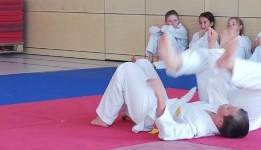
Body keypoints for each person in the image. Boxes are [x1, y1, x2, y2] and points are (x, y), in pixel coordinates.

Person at [159, 29, 261, 132]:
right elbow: (216, 72)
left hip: (244, 117)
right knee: (207, 55)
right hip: (217, 103)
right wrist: (213, 46)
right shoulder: (243, 79)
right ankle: (176, 63)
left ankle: (230, 65)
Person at [90, 58, 249, 140]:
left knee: (125, 69)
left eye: (229, 108)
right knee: (143, 64)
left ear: (220, 122)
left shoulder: (198, 127)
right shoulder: (214, 113)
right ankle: (128, 108)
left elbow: (169, 132)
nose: (228, 104)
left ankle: (105, 117)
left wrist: (159, 94)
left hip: (151, 115)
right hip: (162, 104)